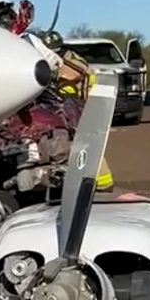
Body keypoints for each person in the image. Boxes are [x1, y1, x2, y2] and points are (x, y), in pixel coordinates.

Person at [40, 32, 115, 192]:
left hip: (77, 105)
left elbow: (79, 75)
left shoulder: (69, 61)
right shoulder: (64, 58)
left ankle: (102, 183)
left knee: (85, 143)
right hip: (70, 105)